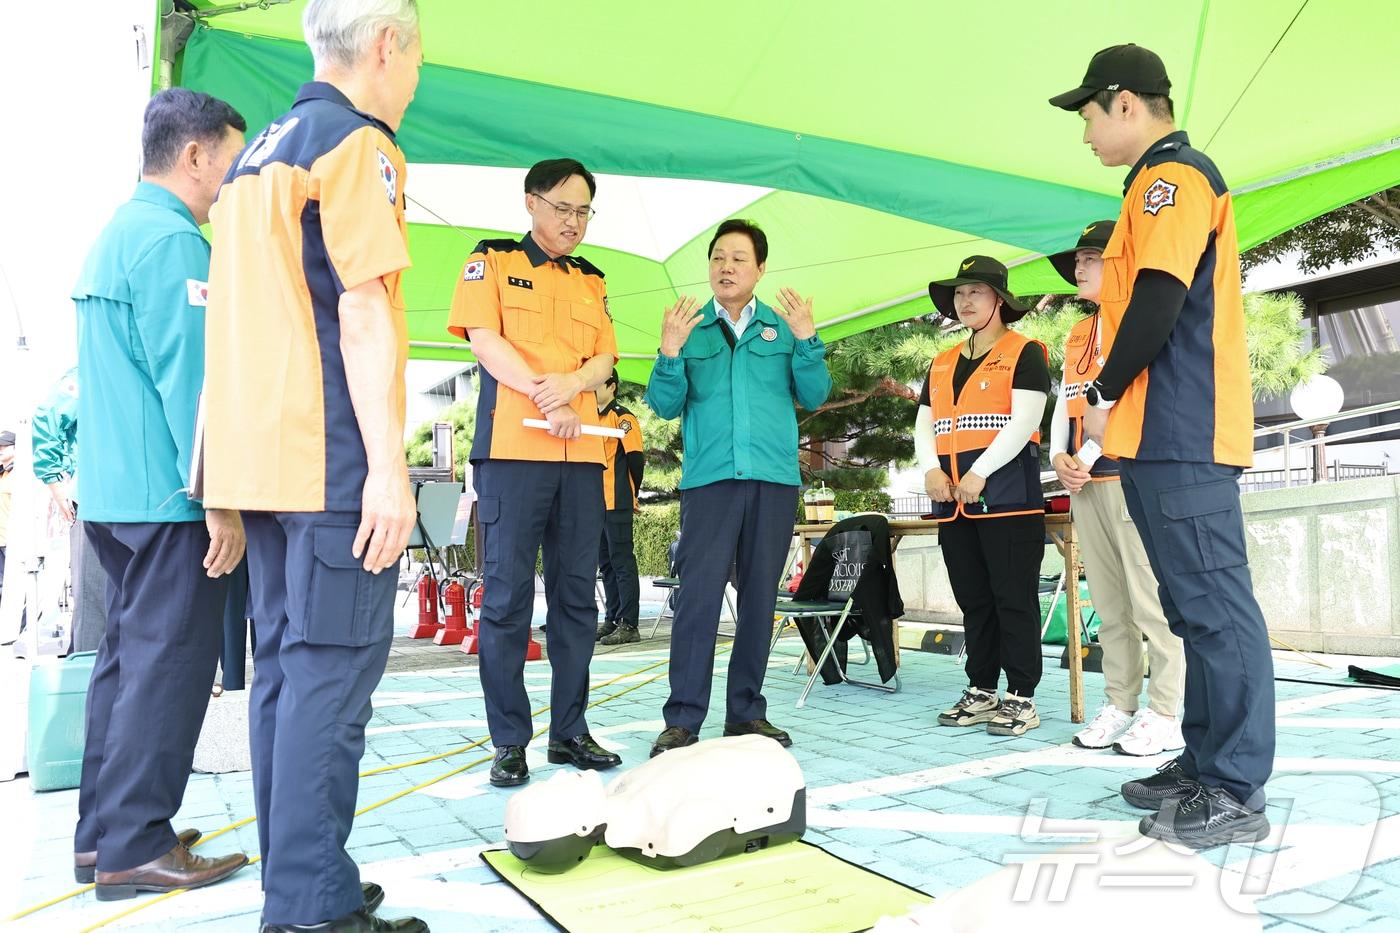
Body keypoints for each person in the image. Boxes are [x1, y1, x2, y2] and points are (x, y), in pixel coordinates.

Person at [203, 1, 428, 929]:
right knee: (330, 680)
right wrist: (390, 468)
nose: (415, 78)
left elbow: (220, 324)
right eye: (417, 59)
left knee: (289, 681)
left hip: (262, 464)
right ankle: (309, 906)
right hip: (331, 458)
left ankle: (301, 874)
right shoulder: (356, 145)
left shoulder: (254, 157)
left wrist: (215, 480)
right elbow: (365, 308)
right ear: (387, 47)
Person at [1050, 43, 1274, 848]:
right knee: (1188, 609)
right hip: (1155, 434)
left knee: (1215, 609)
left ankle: (1237, 789)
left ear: (1125, 102)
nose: (1085, 134)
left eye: (1088, 116)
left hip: (1184, 428)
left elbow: (1158, 299)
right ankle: (1207, 761)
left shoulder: (1172, 178)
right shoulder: (1150, 184)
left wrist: (1102, 393)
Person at [69, 87, 249, 900]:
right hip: (168, 496)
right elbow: (192, 380)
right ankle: (137, 844)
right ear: (195, 155)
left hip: (113, 493)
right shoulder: (174, 243)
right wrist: (218, 496)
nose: (233, 180)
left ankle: (101, 833)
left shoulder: (117, 233)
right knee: (169, 667)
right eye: (232, 162)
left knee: (123, 667)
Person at [447, 158, 622, 789]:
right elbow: (484, 340)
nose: (573, 223)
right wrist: (544, 392)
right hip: (514, 455)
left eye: (583, 212)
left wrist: (574, 383)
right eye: (562, 209)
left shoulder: (591, 281)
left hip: (579, 461)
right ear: (531, 203)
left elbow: (605, 355)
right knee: (507, 603)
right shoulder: (492, 261)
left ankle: (570, 732)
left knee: (577, 601)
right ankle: (509, 741)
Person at [644, 219, 831, 757]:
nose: (727, 267)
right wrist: (669, 350)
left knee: (758, 601)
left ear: (760, 269)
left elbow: (816, 394)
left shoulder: (782, 327)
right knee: (698, 601)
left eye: (739, 259)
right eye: (718, 258)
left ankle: (746, 713)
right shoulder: (691, 327)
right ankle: (682, 719)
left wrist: (807, 339)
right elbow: (662, 405)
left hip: (772, 482)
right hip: (709, 483)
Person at [1047, 220, 1187, 756]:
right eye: (1078, 260)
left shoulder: (1142, 319)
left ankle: (1166, 711)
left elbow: (1140, 401)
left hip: (1132, 475)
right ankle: (1121, 703)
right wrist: (1060, 455)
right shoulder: (1079, 332)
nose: (1079, 268)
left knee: (1151, 602)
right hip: (1085, 483)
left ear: (1120, 263)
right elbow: (1069, 401)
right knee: (1108, 604)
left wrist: (1082, 456)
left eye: (1090, 258)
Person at [917, 256, 1050, 737]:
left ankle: (1021, 696)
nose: (965, 300)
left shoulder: (1025, 351)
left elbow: (1025, 420)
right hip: (952, 501)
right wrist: (930, 468)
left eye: (975, 291)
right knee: (974, 600)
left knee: (1012, 598)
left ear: (999, 300)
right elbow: (924, 424)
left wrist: (980, 471)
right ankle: (981, 688)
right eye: (959, 293)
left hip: (1007, 497)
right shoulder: (942, 361)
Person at [30, 367, 111, 653]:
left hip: (137, 498)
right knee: (93, 599)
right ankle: (88, 679)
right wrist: (55, 481)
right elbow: (47, 415)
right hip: (93, 499)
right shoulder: (85, 372)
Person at [595, 370, 645, 646]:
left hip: (617, 500)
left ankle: (630, 623)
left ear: (611, 386)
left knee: (623, 561)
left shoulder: (623, 418)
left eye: (596, 384)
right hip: (596, 502)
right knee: (606, 564)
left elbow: (636, 459)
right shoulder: (590, 417)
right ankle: (612, 618)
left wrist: (631, 494)